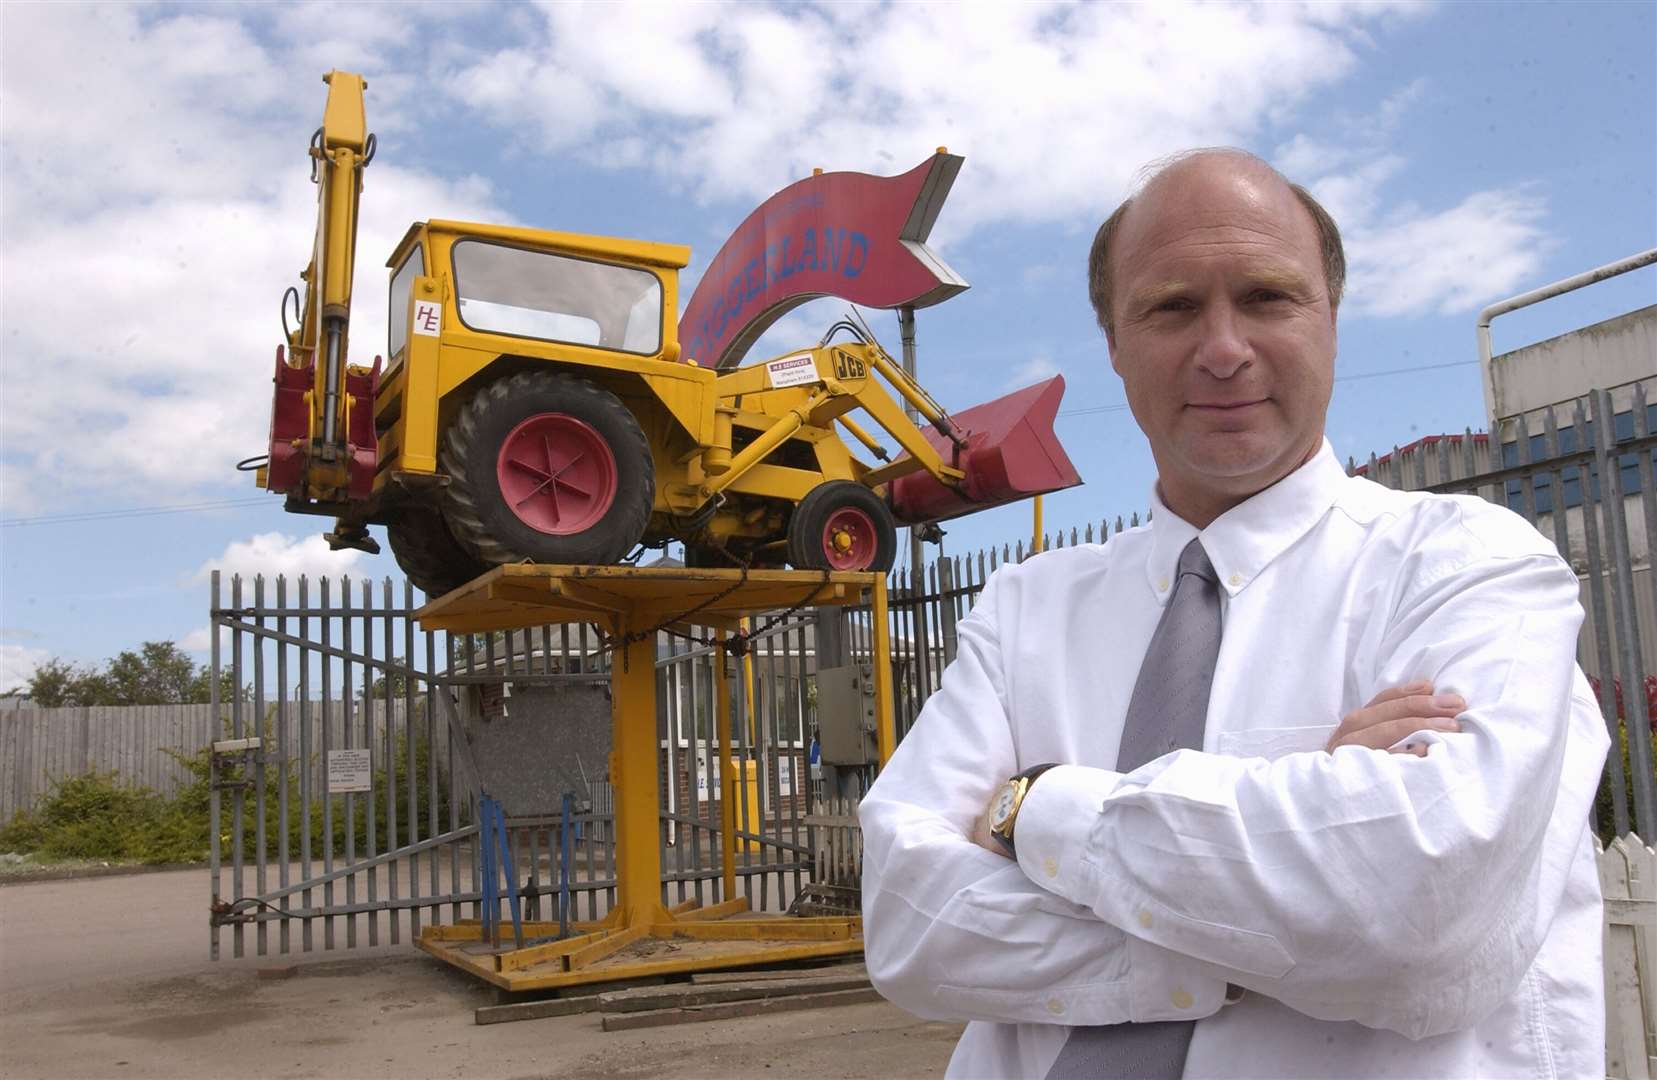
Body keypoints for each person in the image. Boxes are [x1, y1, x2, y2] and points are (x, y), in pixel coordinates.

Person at [859, 148, 1610, 1078]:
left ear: (1330, 319)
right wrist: (1275, 917)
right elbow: (907, 924)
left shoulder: (1470, 566)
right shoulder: (1027, 607)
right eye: (1172, 306)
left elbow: (1421, 903)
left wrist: (1031, 810)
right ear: (1114, 343)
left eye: (1266, 297)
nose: (1222, 350)